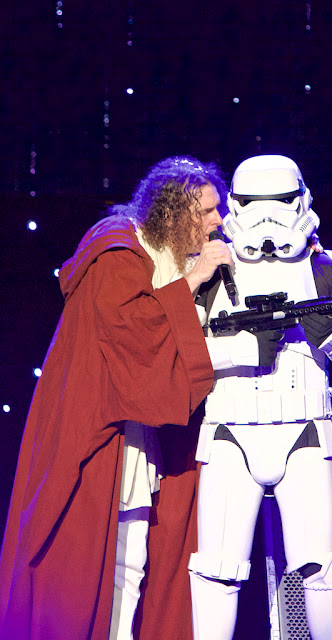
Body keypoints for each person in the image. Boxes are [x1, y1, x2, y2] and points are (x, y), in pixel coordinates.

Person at [0, 155, 234, 640]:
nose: (219, 220)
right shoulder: (115, 250)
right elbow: (135, 331)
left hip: (138, 433)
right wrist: (194, 279)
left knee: (131, 564)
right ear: (174, 212)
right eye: (208, 211)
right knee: (94, 562)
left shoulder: (169, 256)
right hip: (100, 431)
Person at [188, 154, 332, 640]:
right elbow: (176, 354)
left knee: (324, 573)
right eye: (254, 203)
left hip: (305, 429)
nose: (267, 217)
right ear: (236, 204)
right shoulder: (209, 269)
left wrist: (330, 335)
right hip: (229, 429)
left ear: (301, 200)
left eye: (280, 201)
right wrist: (242, 348)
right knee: (215, 570)